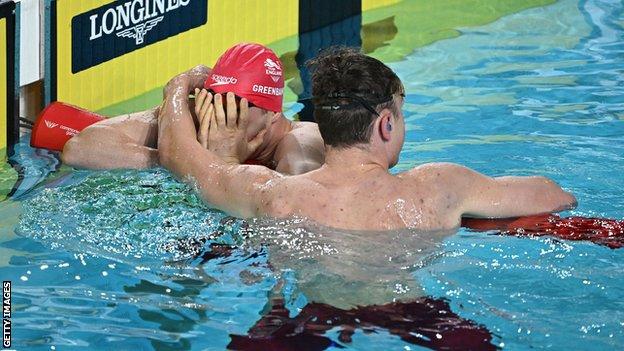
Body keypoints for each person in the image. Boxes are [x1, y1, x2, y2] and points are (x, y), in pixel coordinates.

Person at [157, 47, 577, 231]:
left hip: (310, 320)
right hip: (413, 315)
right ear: (385, 125)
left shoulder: (268, 193)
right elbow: (555, 196)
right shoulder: (438, 187)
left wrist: (178, 87)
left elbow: (179, 155)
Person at [60, 43, 324, 175]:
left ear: (273, 111)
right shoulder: (202, 113)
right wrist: (178, 155)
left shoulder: (299, 145)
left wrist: (195, 162)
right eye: (213, 97)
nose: (221, 111)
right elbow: (79, 150)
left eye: (238, 103)